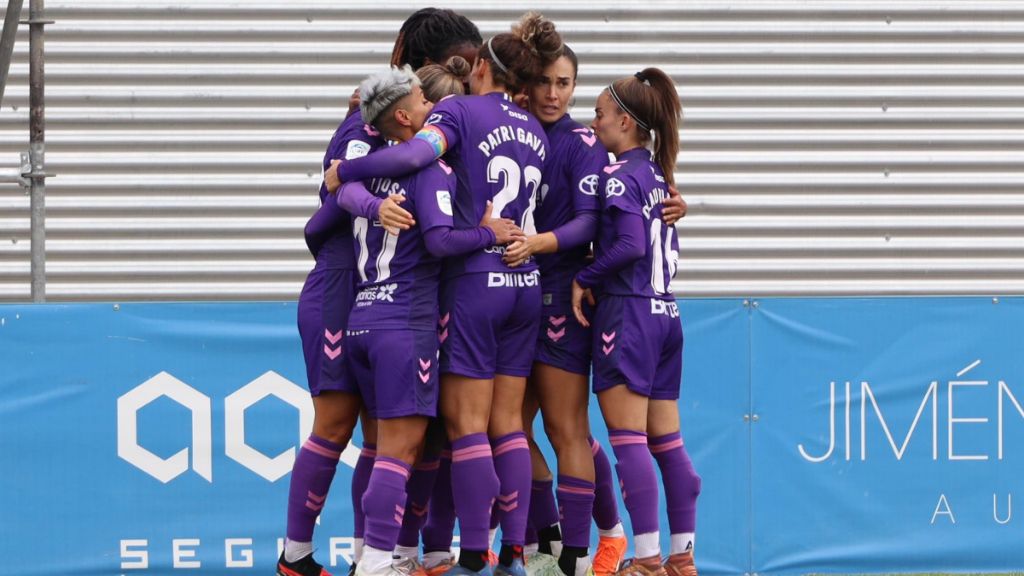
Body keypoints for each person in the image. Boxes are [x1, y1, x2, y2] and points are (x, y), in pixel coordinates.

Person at [325, 12, 563, 576]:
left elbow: (414, 156)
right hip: (525, 281)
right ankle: (516, 553)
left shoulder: (457, 111)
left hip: (474, 281)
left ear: (481, 68)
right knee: (509, 424)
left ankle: (471, 554)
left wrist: (347, 173)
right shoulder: (536, 129)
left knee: (465, 427)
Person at [279, 10, 482, 576]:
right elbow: (332, 198)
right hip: (344, 291)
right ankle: (301, 555)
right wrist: (371, 205)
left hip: (377, 297)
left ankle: (374, 556)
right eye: (459, 74)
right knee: (340, 426)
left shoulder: (427, 141)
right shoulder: (368, 128)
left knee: (385, 437)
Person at [572, 68, 700, 576]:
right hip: (666, 314)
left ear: (625, 122)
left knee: (629, 446)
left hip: (628, 313)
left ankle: (646, 560)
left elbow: (629, 245)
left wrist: (585, 276)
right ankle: (682, 558)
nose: (594, 122)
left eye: (600, 114)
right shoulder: (661, 177)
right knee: (668, 446)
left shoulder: (618, 176)